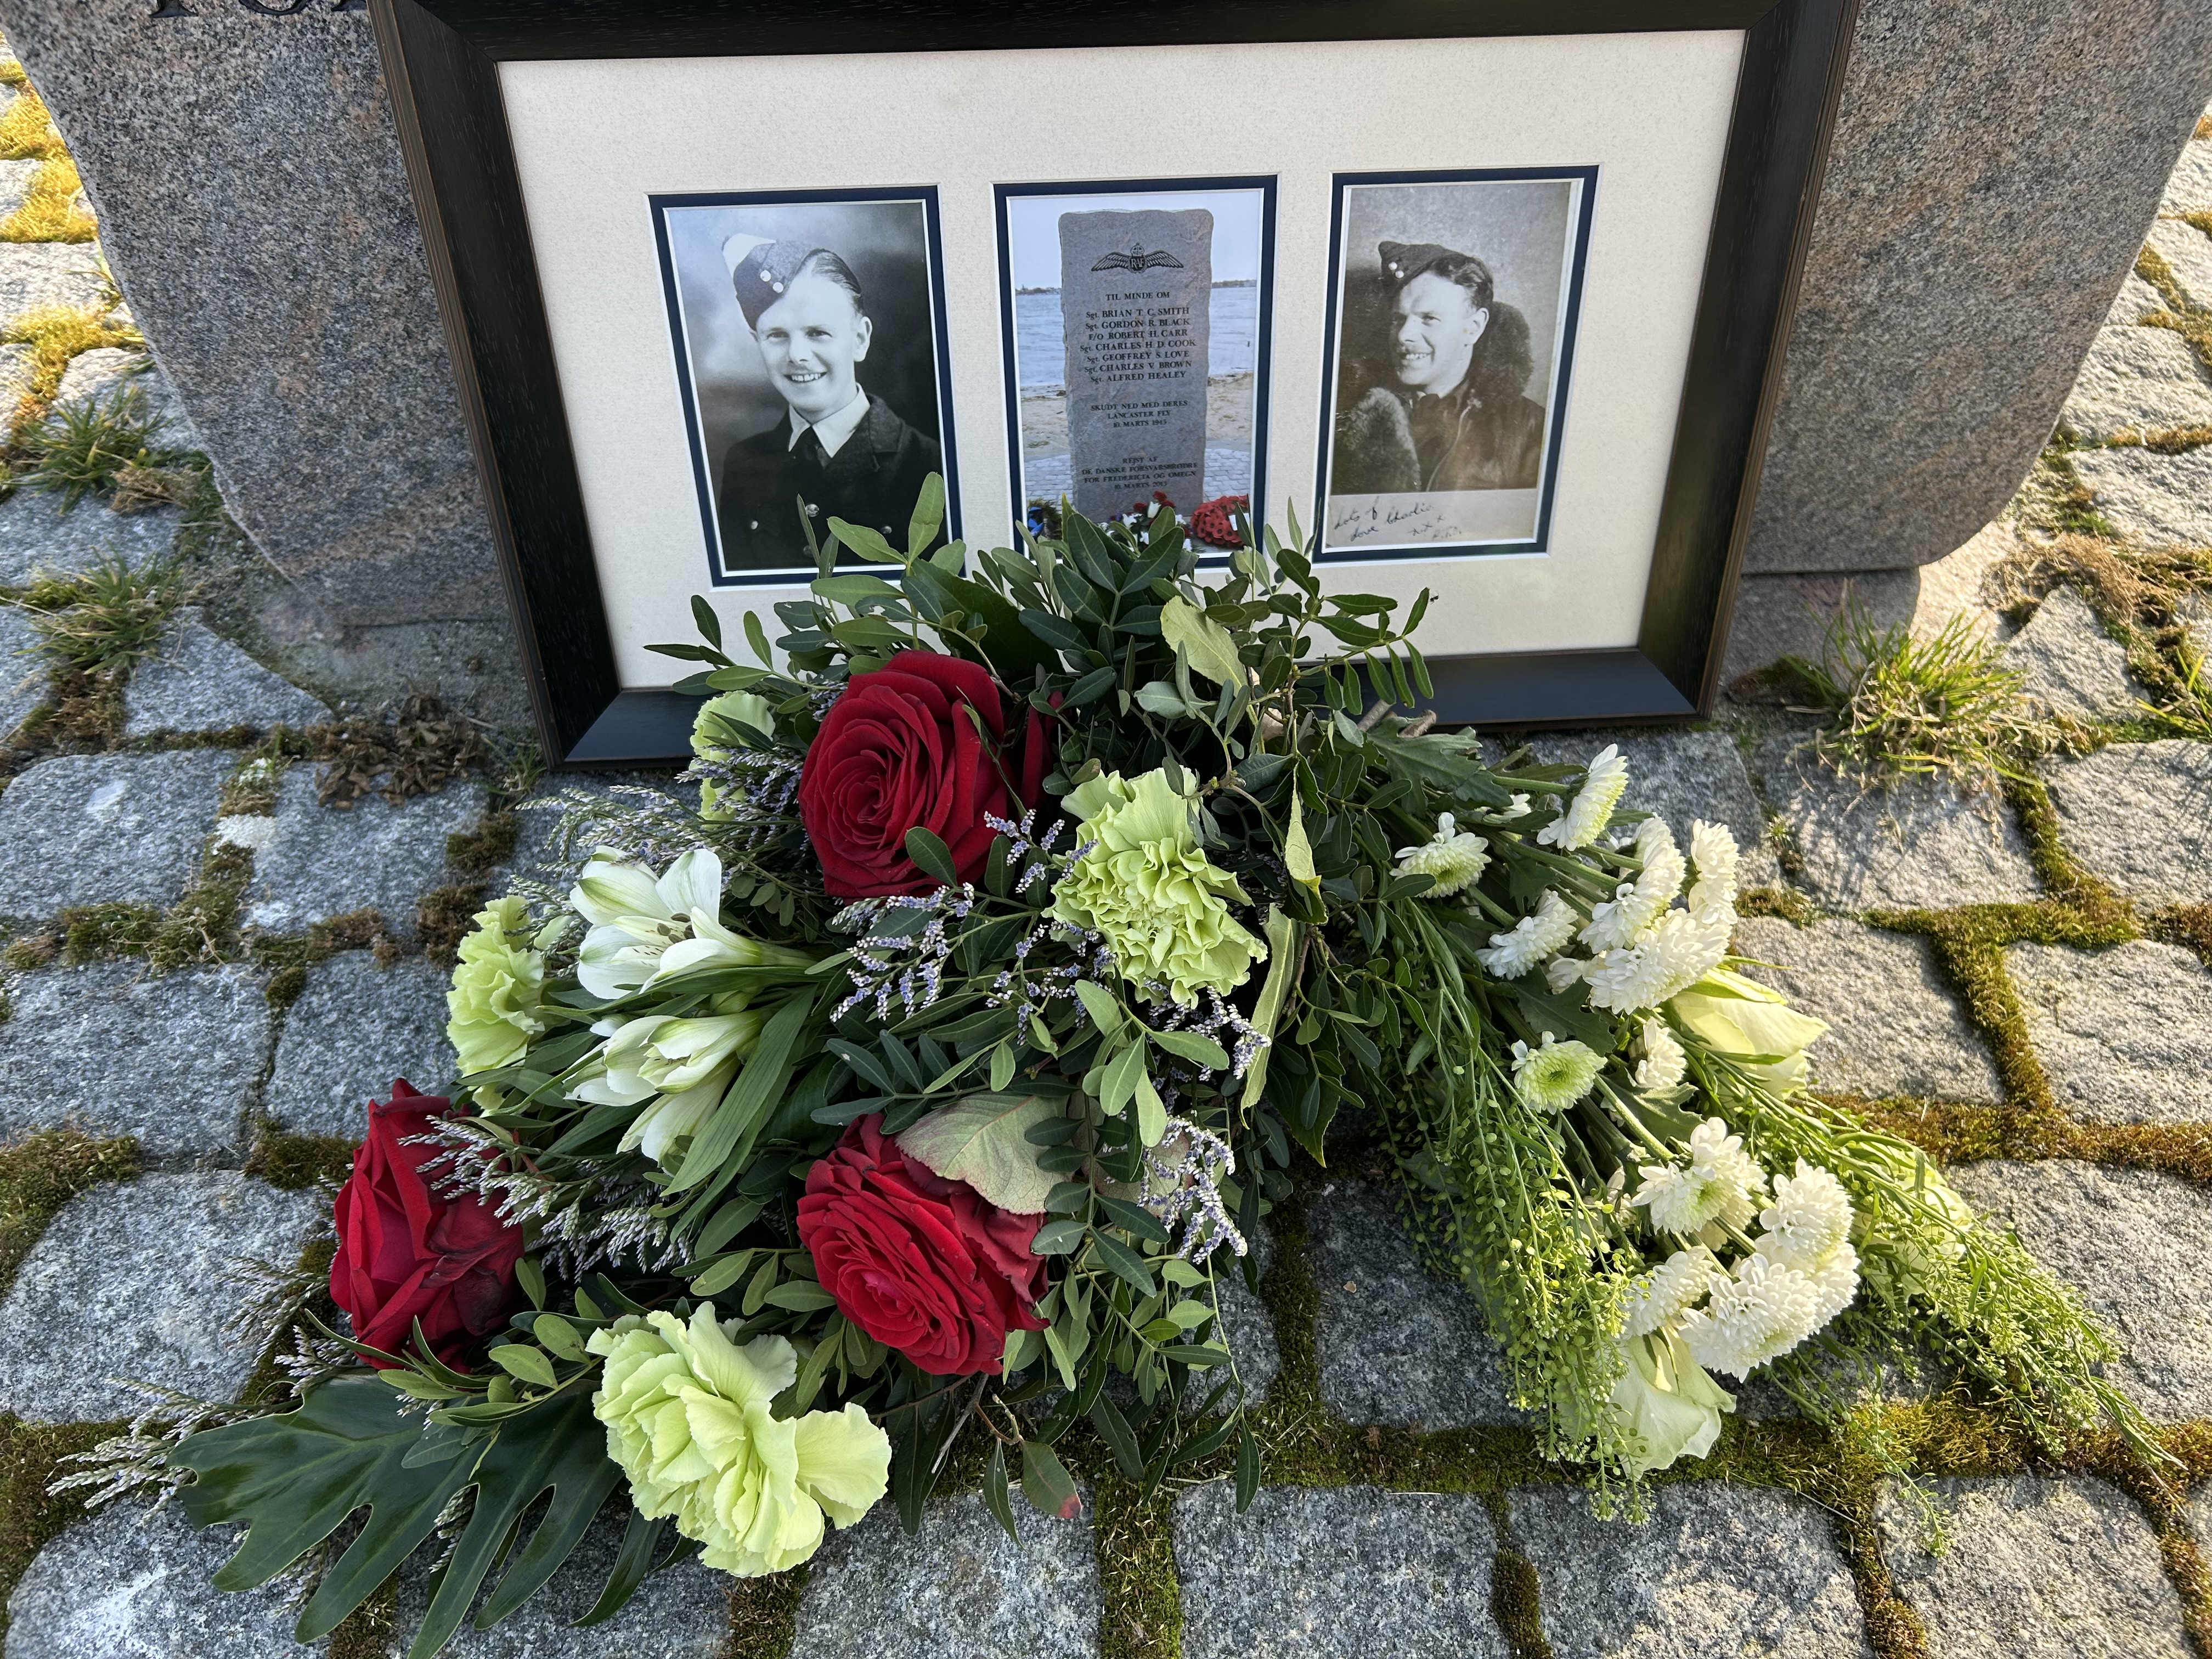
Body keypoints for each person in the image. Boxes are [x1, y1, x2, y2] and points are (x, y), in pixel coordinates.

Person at [716, 238, 943, 571]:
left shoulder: (930, 465)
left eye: (818, 333)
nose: (797, 355)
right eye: (777, 335)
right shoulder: (743, 463)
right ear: (757, 342)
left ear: (860, 339)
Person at [1331, 240, 1545, 495]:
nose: (1403, 336)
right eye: (1398, 319)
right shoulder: (1345, 416)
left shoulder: (1533, 430)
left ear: (1474, 328)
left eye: (1429, 319)